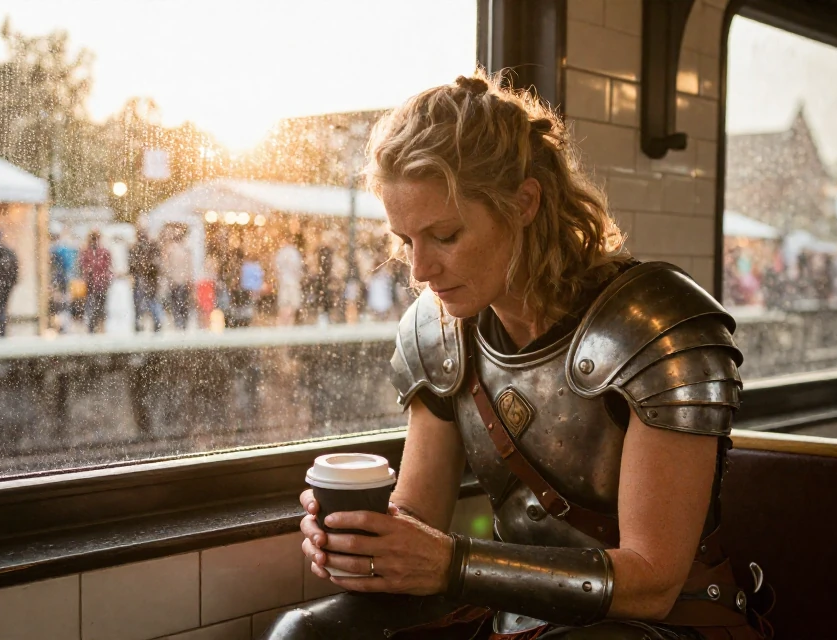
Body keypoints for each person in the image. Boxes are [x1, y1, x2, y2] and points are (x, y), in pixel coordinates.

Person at [262, 72, 770, 640]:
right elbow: (419, 518)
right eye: (407, 241)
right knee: (300, 634)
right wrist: (370, 544)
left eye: (446, 235)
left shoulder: (656, 325)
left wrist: (450, 564)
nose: (419, 270)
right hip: (514, 615)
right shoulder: (440, 333)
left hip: (662, 623)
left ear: (524, 202)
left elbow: (653, 582)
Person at [128, 227, 163, 333]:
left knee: (147, 302)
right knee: (144, 302)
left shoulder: (148, 246)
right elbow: (132, 265)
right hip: (144, 279)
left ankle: (150, 323)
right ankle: (143, 323)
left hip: (148, 279)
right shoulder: (137, 247)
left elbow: (156, 264)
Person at [162, 225, 195, 330]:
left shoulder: (174, 250)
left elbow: (167, 267)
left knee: (179, 305)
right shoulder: (183, 250)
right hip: (179, 281)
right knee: (180, 305)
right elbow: (188, 267)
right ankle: (181, 324)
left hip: (178, 282)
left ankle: (180, 324)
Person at [80, 230, 113, 333]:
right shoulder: (102, 252)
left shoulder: (88, 252)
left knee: (94, 307)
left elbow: (83, 268)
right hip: (98, 284)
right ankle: (98, 328)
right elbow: (109, 268)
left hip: (95, 284)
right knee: (98, 307)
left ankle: (95, 328)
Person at [274, 235, 304, 326]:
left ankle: (281, 326)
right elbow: (298, 269)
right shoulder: (294, 253)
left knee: (284, 305)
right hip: (293, 283)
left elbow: (276, 268)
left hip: (284, 283)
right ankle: (289, 327)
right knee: (292, 306)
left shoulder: (281, 253)